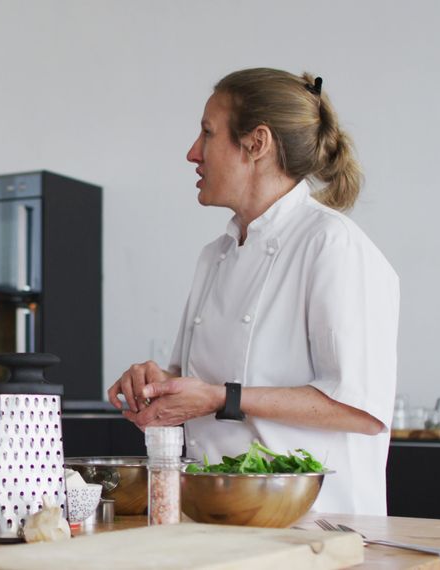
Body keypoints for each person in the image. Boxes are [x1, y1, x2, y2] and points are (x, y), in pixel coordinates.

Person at [107, 68, 399, 516]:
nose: (192, 153)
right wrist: (158, 386)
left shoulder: (332, 245)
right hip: (217, 520)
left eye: (207, 134)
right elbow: (199, 386)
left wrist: (223, 397)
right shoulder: (215, 254)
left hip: (319, 529)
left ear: (256, 143)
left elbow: (360, 409)